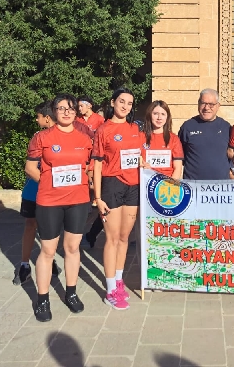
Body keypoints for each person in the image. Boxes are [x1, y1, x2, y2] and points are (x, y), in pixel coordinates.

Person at [25, 94, 93, 322]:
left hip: (78, 200)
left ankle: (71, 293)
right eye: (62, 108)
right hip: (50, 201)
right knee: (48, 251)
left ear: (76, 112)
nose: (66, 112)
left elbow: (90, 167)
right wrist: (48, 182)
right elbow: (30, 168)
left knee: (72, 248)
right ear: (54, 111)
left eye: (71, 108)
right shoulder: (42, 137)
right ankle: (42, 299)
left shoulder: (85, 138)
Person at [88, 87, 143, 310]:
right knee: (111, 238)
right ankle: (110, 289)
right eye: (122, 101)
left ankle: (119, 281)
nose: (125, 106)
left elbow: (140, 156)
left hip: (133, 187)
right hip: (112, 186)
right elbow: (97, 164)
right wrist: (97, 197)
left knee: (124, 237)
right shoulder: (104, 130)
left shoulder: (135, 129)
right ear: (112, 103)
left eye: (129, 103)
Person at [13, 101, 61, 286]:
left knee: (51, 229)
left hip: (53, 194)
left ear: (47, 118)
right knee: (30, 225)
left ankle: (50, 259)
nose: (36, 119)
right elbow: (30, 168)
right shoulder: (37, 138)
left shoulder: (64, 137)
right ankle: (25, 265)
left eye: (38, 116)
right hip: (33, 192)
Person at [178, 89, 232, 180]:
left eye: (211, 104)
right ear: (198, 104)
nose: (206, 108)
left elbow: (232, 155)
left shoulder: (226, 127)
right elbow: (180, 156)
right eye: (203, 103)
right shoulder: (187, 126)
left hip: (220, 185)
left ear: (218, 106)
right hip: (194, 185)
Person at [141, 100, 184, 179]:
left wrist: (170, 184)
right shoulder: (140, 137)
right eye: (155, 114)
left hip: (167, 183)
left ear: (167, 117)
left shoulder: (174, 139)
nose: (159, 118)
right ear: (149, 115)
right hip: (146, 182)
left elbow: (177, 168)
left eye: (163, 114)